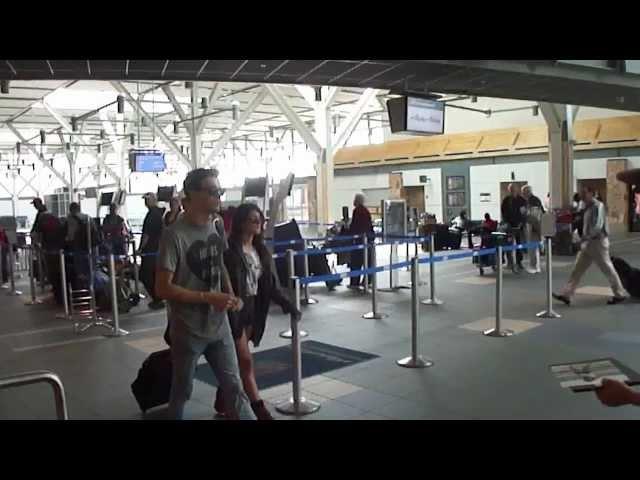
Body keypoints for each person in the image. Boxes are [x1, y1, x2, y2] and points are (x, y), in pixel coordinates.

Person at [156, 168, 255, 420]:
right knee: (182, 391)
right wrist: (208, 298)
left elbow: (218, 263)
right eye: (213, 192)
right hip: (188, 330)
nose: (219, 197)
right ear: (193, 195)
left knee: (235, 389)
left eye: (219, 191)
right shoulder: (173, 236)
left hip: (218, 325)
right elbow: (162, 288)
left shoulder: (215, 227)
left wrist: (230, 295)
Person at [218, 203, 300, 420]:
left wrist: (286, 303)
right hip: (234, 310)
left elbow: (269, 285)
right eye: (253, 220)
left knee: (236, 361)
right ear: (241, 222)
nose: (258, 224)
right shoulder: (229, 250)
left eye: (260, 220)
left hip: (254, 309)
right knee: (245, 360)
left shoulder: (261, 251)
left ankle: (224, 397)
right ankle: (258, 407)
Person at [553, 186, 628, 306]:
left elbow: (598, 226)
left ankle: (620, 293)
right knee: (577, 270)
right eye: (581, 193)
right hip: (587, 243)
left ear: (591, 193)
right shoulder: (585, 206)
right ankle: (566, 295)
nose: (582, 195)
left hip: (598, 242)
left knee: (607, 269)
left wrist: (585, 237)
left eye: (584, 193)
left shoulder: (598, 206)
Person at [30, 198, 64, 305]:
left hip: (47, 247)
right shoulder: (51, 215)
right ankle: (59, 293)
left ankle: (57, 293)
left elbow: (36, 230)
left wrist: (36, 241)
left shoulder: (41, 216)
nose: (34, 206)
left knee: (51, 270)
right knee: (57, 270)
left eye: (34, 204)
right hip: (57, 248)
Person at [139, 192, 165, 310]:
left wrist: (141, 248)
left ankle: (157, 298)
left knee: (145, 275)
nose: (145, 202)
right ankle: (158, 297)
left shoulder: (152, 215)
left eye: (147, 200)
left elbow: (147, 234)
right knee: (153, 275)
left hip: (151, 249)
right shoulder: (158, 213)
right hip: (157, 248)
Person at [348, 193, 374, 289]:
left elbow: (354, 226)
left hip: (359, 241)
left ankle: (354, 282)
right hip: (367, 239)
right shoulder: (366, 211)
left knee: (356, 263)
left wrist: (349, 233)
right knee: (368, 262)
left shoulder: (357, 211)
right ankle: (367, 281)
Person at [500, 183, 527, 270]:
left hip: (519, 225)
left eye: (514, 189)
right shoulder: (506, 200)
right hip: (509, 225)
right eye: (511, 189)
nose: (512, 191)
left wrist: (521, 223)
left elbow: (524, 213)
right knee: (508, 243)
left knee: (519, 244)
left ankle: (519, 262)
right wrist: (505, 222)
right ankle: (510, 262)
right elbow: (503, 212)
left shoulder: (521, 200)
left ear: (517, 189)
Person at [521, 185, 545, 274]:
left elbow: (534, 216)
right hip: (536, 226)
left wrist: (525, 213)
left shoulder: (533, 201)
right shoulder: (534, 200)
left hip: (533, 227)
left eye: (524, 192)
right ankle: (536, 266)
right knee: (535, 248)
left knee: (532, 247)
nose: (522, 194)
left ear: (528, 192)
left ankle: (533, 266)